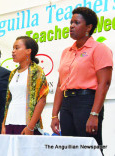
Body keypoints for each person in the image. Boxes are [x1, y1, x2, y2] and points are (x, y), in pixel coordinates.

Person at [51, 7, 113, 148]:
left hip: (86, 103)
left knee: (90, 148)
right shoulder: (66, 52)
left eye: (76, 23)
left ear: (89, 27)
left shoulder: (99, 48)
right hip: (66, 105)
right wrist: (55, 115)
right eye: (71, 22)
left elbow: (105, 83)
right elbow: (61, 85)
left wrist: (94, 114)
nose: (71, 26)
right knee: (69, 148)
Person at [2, 36, 49, 135]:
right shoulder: (13, 73)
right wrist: (3, 124)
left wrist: (30, 127)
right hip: (10, 123)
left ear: (28, 51)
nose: (13, 51)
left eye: (17, 48)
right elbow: (8, 101)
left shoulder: (36, 70)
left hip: (26, 124)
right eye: (13, 48)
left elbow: (42, 99)